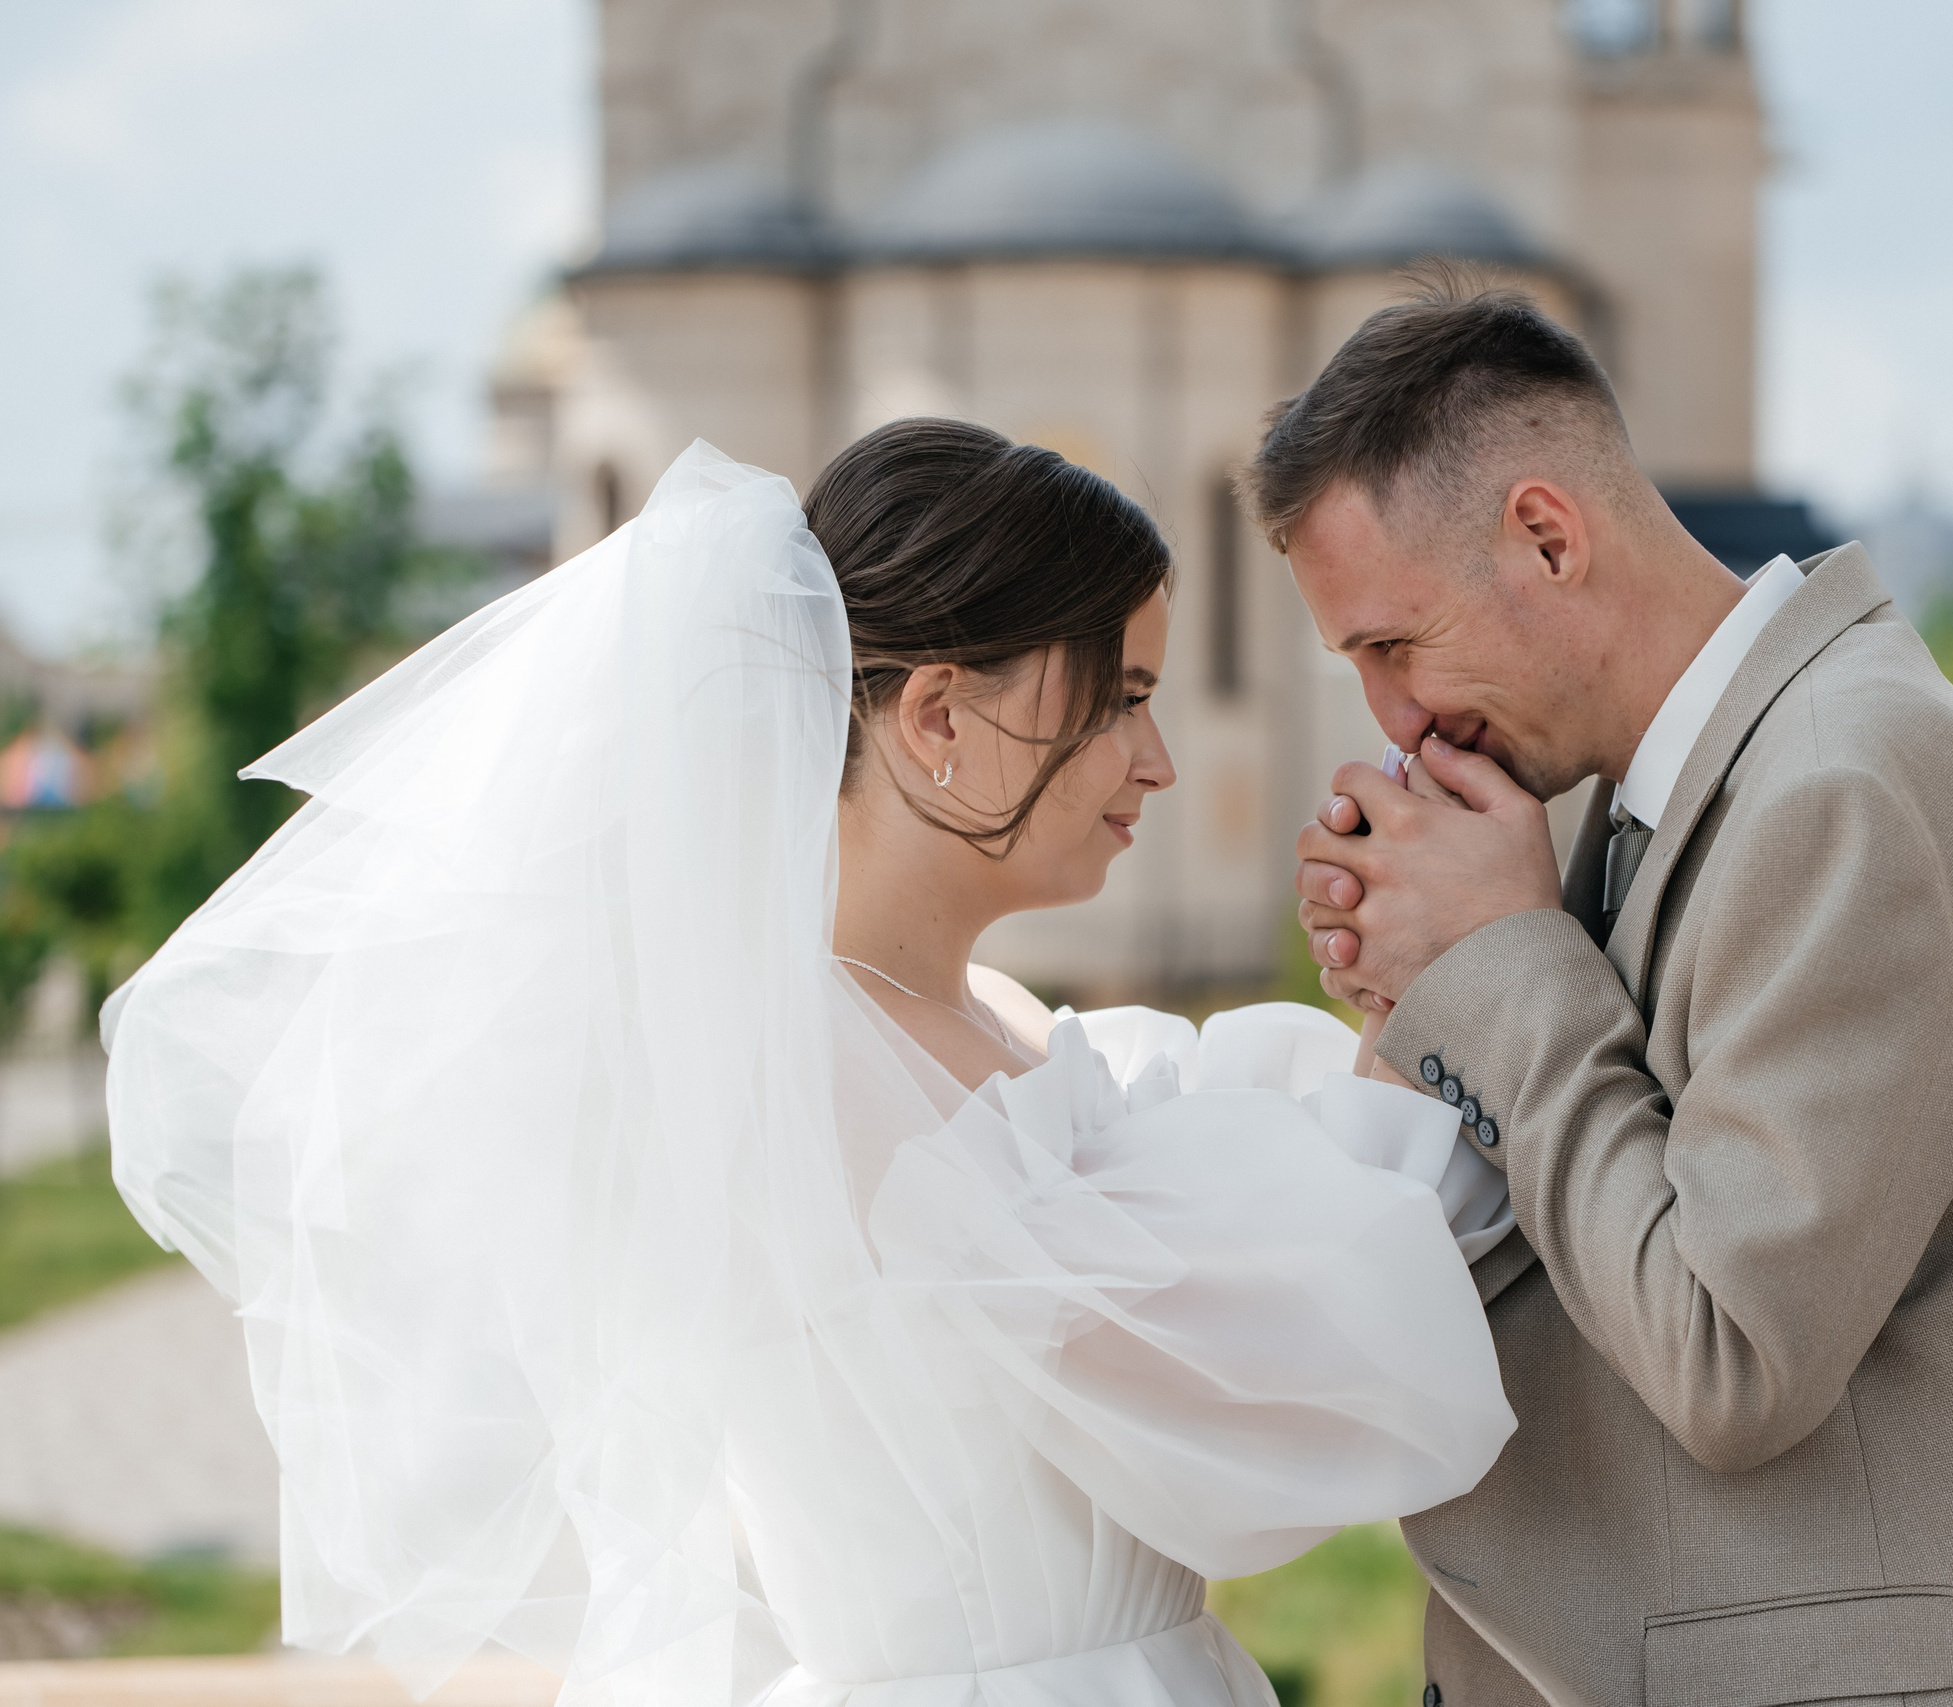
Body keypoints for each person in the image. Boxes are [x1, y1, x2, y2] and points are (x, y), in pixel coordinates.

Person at [102, 423, 1516, 1707]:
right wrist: (1459, 994)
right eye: (1119, 697)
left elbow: (1219, 1236)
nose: (1153, 760)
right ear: (940, 720)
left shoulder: (966, 1020)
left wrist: (1397, 1019)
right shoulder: (841, 1082)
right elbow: (1240, 1393)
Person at [1263, 283, 1953, 1707]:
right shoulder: (1657, 802)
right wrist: (1423, 996)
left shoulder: (1850, 791)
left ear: (1548, 537)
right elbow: (1592, 1211)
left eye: (1395, 645)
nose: (1395, 721)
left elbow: (1731, 1354)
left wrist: (1499, 963)